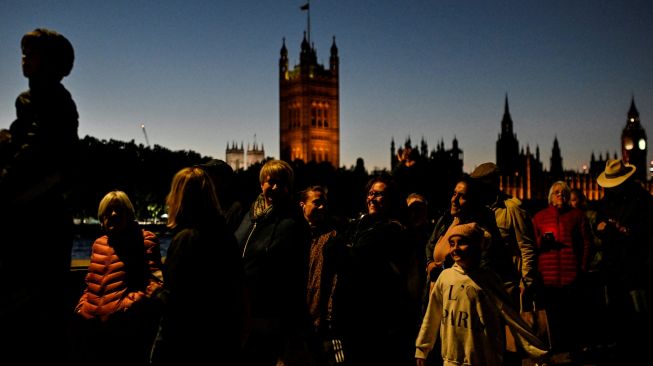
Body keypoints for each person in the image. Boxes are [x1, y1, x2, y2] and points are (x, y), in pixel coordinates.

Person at [0, 28, 79, 363]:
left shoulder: (38, 101)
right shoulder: (57, 102)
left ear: (48, 62)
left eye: (29, 53)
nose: (23, 58)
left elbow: (33, 153)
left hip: (33, 223)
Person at [150, 166, 248, 365]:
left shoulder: (186, 239)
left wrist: (154, 291)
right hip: (221, 340)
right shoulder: (226, 236)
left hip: (187, 343)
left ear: (179, 198)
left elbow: (177, 301)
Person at [415, 223, 549, 366]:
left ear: (476, 246)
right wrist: (422, 348)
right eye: (452, 244)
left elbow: (513, 318)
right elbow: (432, 315)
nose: (455, 249)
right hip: (451, 359)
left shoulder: (488, 280)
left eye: (461, 243)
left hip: (483, 358)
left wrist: (538, 352)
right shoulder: (445, 277)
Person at [325, 174, 415, 366]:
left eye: (379, 194)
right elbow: (329, 248)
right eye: (370, 193)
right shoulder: (358, 224)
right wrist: (349, 251)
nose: (372, 198)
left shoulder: (393, 229)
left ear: (391, 199)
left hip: (374, 319)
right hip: (348, 316)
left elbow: (358, 258)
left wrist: (349, 251)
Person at [234, 159, 312, 366]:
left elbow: (298, 275)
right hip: (240, 309)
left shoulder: (294, 223)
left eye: (282, 182)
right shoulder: (249, 216)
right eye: (271, 181)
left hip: (269, 316)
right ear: (261, 184)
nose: (276, 187)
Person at [73, 190, 164, 365]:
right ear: (102, 218)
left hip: (125, 334)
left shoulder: (145, 240)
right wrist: (82, 307)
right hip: (92, 330)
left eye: (119, 210)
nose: (113, 214)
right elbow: (91, 283)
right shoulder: (98, 244)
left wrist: (124, 307)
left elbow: (155, 283)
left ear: (129, 214)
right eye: (109, 211)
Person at [594, 159, 653, 364]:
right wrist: (601, 228)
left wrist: (623, 231)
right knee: (618, 315)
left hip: (636, 268)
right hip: (613, 267)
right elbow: (597, 223)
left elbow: (646, 233)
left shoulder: (643, 201)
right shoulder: (607, 200)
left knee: (640, 315)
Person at [532, 181, 591, 362]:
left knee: (571, 315)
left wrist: (582, 267)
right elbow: (532, 245)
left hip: (571, 275)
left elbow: (587, 243)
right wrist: (543, 243)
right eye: (557, 192)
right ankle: (555, 349)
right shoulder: (539, 217)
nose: (561, 195)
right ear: (550, 196)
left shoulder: (577, 216)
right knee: (552, 316)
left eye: (564, 192)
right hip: (547, 276)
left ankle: (571, 351)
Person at [299, 185, 343, 366]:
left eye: (324, 203)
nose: (322, 207)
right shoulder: (293, 235)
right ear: (302, 205)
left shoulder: (334, 236)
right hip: (297, 325)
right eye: (317, 203)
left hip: (325, 324)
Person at [198, 158, 245, 233]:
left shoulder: (234, 208)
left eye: (210, 175)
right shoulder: (203, 202)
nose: (204, 179)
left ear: (224, 180)